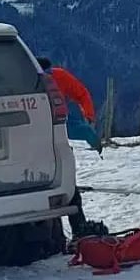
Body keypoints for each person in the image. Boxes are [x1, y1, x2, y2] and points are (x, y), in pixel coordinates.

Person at [37, 57, 100, 239]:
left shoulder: (26, 77)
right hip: (56, 139)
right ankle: (78, 230)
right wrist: (88, 120)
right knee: (67, 184)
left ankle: (53, 235)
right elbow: (82, 94)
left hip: (33, 142)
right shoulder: (58, 76)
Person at [36, 58, 95, 124]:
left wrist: (88, 116)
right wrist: (89, 117)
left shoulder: (59, 76)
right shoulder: (58, 75)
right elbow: (82, 94)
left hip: (56, 121)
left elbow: (82, 94)